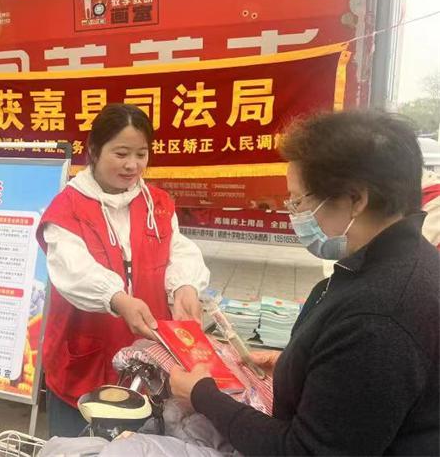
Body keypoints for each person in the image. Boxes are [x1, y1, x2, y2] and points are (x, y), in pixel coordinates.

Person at [170, 110, 439, 455]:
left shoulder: (380, 316)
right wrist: (299, 365)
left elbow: (306, 451)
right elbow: (357, 385)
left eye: (299, 201)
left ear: (356, 199)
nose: (294, 214)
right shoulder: (396, 262)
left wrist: (203, 396)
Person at [37, 103, 210, 437]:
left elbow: (177, 249)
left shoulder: (157, 203)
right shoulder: (68, 207)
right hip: (85, 358)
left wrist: (185, 287)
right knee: (79, 444)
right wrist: (116, 298)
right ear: (93, 151)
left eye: (141, 154)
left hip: (146, 357)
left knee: (140, 439)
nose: (132, 165)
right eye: (121, 154)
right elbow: (73, 269)